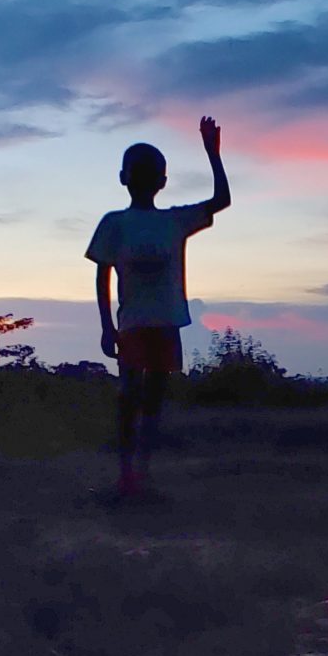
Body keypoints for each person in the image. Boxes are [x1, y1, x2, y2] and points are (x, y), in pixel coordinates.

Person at [88, 116, 229, 499]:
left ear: (162, 182)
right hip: (132, 324)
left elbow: (221, 201)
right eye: (139, 171)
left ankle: (142, 474)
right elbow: (102, 277)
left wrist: (212, 154)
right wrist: (106, 326)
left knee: (152, 402)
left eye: (151, 172)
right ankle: (126, 474)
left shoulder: (174, 221)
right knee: (129, 398)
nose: (144, 177)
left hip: (166, 324)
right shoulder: (114, 223)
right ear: (124, 177)